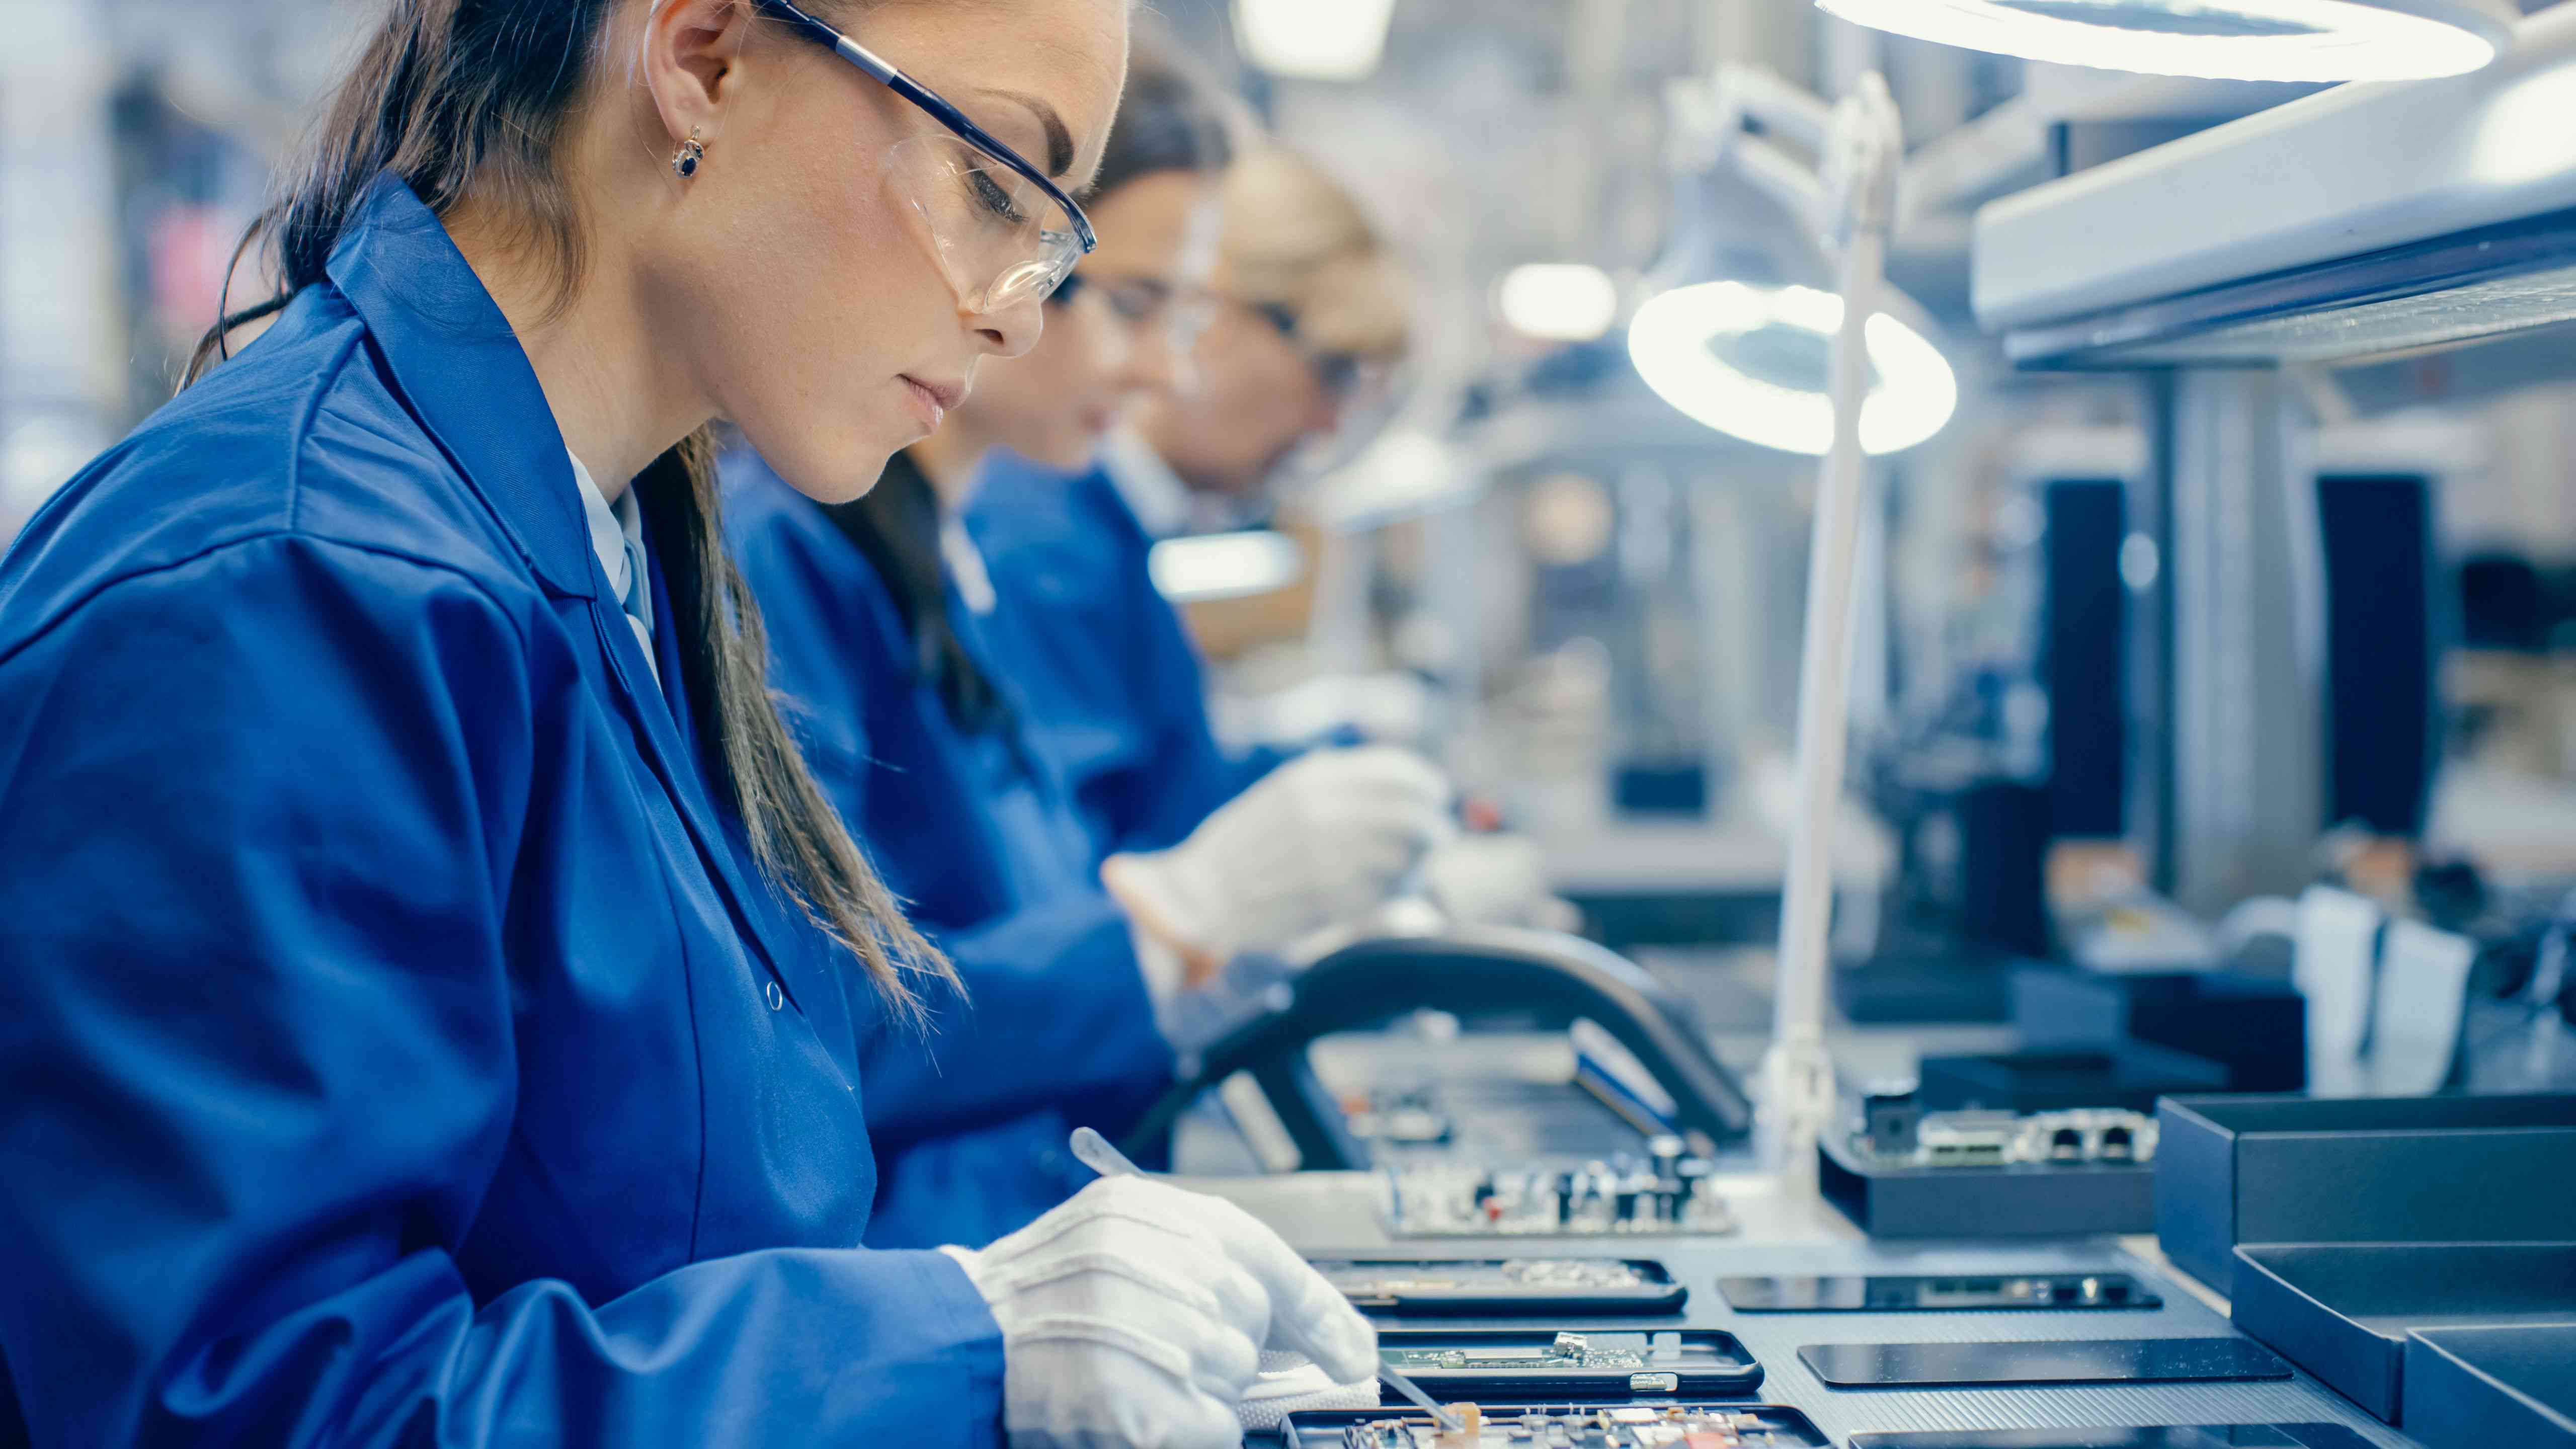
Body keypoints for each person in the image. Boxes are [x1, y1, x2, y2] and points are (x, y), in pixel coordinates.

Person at [0, 2, 1376, 1445]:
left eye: (1052, 235)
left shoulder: (625, 553)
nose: (1018, 308)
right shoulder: (281, 591)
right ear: (704, 58)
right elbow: (271, 1412)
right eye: (991, 184)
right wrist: (952, 1342)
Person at [727, 42, 1455, 1250]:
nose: (1161, 368)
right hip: (923, 1261)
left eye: (1181, 313)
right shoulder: (792, 560)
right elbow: (827, 1043)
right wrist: (1169, 922)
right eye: (1128, 304)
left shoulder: (949, 563)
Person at [965, 143, 1414, 865]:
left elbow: (1159, 787)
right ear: (1215, 311)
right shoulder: (1043, 539)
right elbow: (1097, 858)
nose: (1330, 424)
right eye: (1330, 370)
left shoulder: (1108, 526)